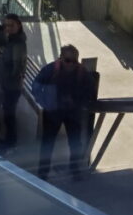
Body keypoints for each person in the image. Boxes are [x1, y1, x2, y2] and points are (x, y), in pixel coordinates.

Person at [33, 44, 95, 179]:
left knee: (74, 142)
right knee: (48, 143)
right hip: (53, 112)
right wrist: (45, 103)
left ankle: (75, 170)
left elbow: (89, 91)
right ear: (60, 58)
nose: (71, 64)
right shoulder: (50, 69)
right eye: (68, 60)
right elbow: (36, 86)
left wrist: (79, 104)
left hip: (72, 113)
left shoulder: (82, 72)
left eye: (74, 61)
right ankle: (43, 172)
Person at [0, 14, 27, 150]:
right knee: (8, 113)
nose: (8, 28)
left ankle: (11, 142)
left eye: (12, 25)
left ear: (19, 25)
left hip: (11, 86)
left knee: (9, 115)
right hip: (8, 83)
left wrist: (8, 80)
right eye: (7, 25)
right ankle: (10, 140)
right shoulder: (12, 39)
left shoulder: (18, 43)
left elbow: (18, 65)